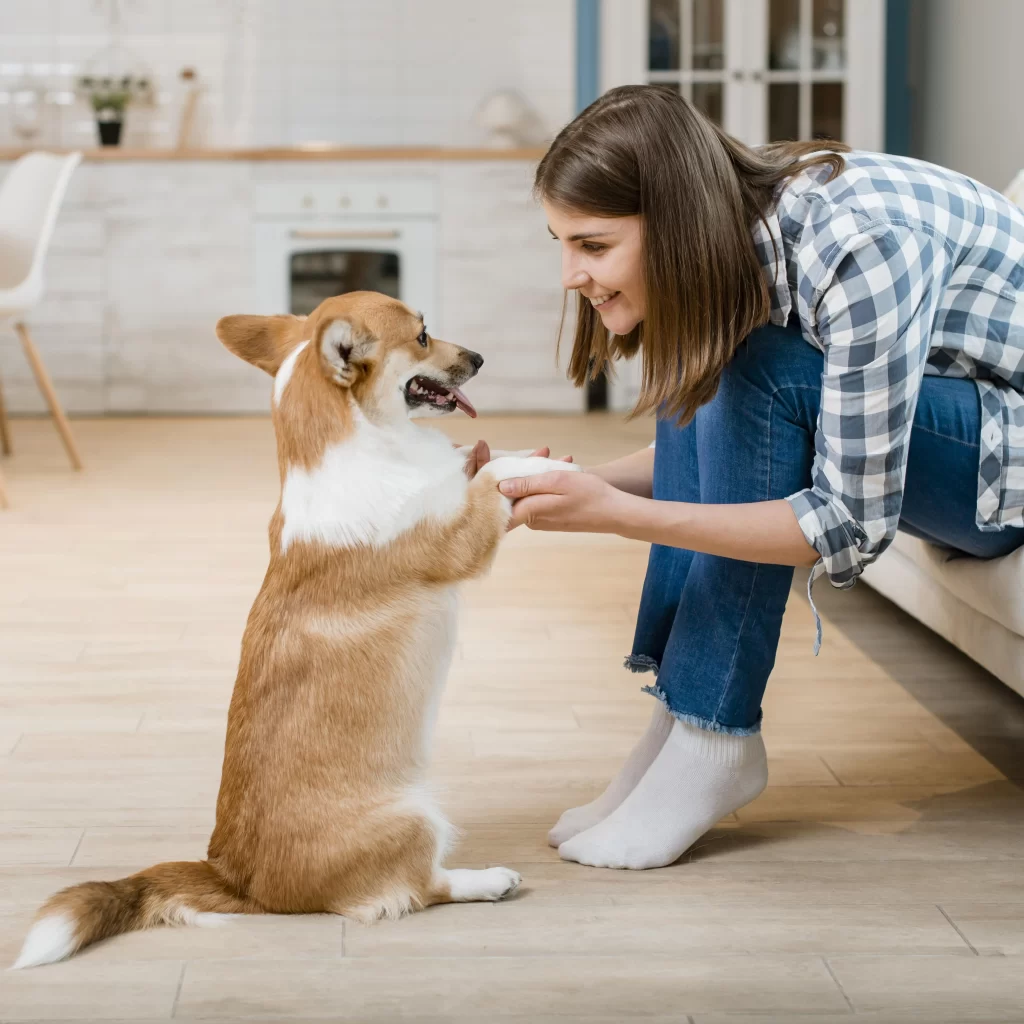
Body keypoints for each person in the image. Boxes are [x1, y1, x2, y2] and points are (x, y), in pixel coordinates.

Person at [471, 84, 1024, 871]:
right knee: (708, 356)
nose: (570, 275)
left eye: (592, 246)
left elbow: (846, 522)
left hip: (1013, 464)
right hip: (976, 440)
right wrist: (581, 485)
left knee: (745, 359)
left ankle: (712, 736)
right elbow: (742, 451)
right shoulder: (748, 234)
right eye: (561, 243)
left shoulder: (859, 241)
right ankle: (678, 722)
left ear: (673, 221)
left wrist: (618, 516)